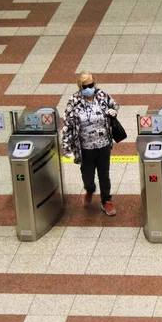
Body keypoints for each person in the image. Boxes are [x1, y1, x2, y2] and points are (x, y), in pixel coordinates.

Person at [62, 71, 119, 216]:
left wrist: (113, 111)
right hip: (85, 147)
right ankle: (90, 189)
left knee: (104, 175)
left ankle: (106, 200)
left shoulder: (101, 96)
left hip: (103, 144)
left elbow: (115, 104)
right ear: (80, 87)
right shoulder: (74, 101)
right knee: (87, 175)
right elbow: (67, 124)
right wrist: (66, 146)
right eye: (85, 86)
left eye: (91, 85)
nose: (88, 88)